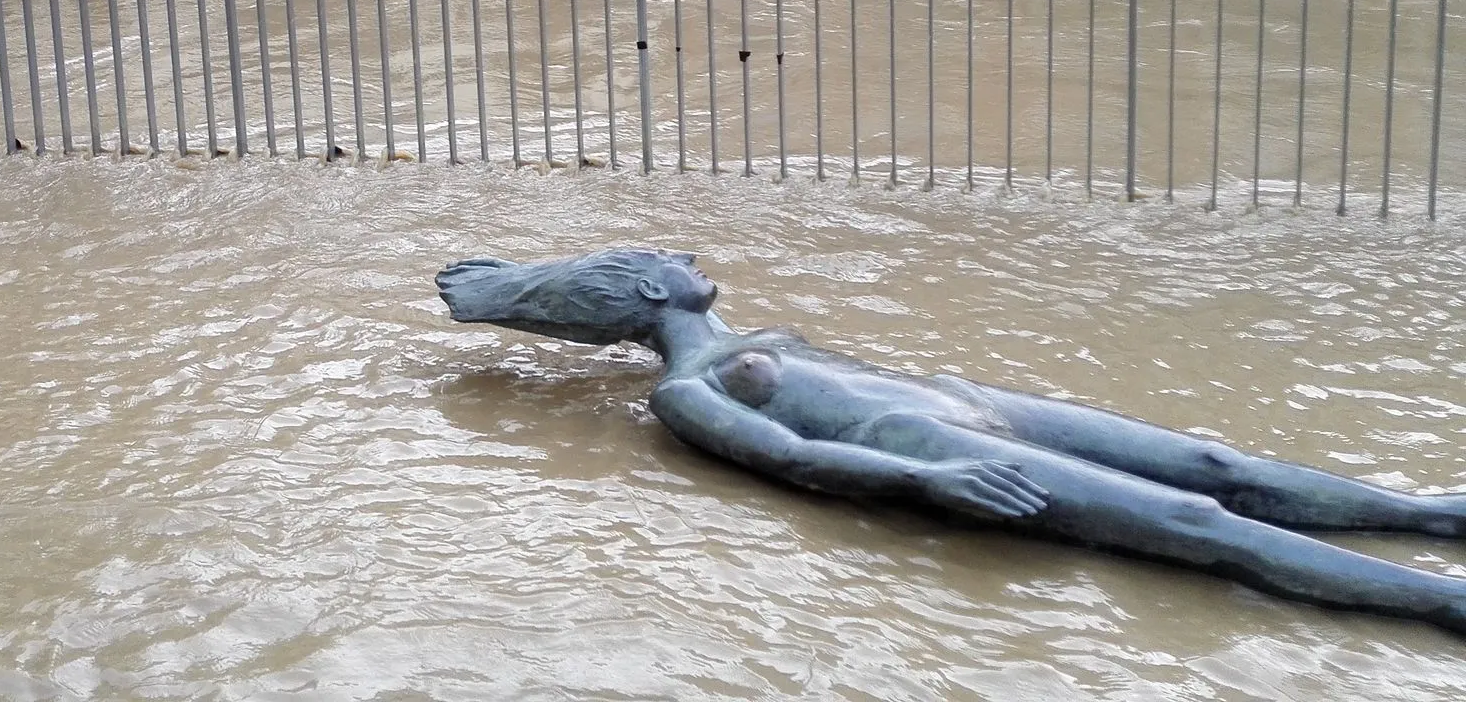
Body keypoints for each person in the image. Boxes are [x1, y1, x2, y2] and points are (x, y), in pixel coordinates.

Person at [437, 248, 1466, 637]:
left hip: (978, 403)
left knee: (1211, 464)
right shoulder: (683, 393)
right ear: (648, 292)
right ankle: (1442, 605)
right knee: (1194, 522)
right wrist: (931, 478)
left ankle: (1424, 514)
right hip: (933, 443)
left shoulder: (754, 336)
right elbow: (794, 460)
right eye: (667, 255)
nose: (688, 253)